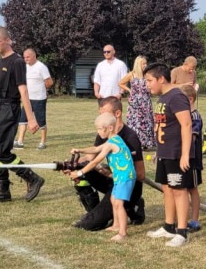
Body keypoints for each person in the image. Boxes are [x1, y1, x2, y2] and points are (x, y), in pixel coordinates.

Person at [0, 26, 44, 203]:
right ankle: (3, 192)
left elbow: (23, 91)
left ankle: (33, 178)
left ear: (7, 40)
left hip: (10, 109)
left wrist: (31, 119)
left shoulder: (17, 62)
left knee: (2, 151)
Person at [68, 96, 147, 231]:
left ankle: (133, 204)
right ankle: (94, 211)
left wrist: (83, 171)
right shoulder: (104, 133)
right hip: (115, 178)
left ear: (117, 114)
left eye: (105, 115)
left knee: (90, 225)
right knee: (83, 166)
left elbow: (140, 174)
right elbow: (92, 155)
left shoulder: (130, 137)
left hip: (127, 182)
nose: (101, 120)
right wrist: (72, 164)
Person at [144, 63, 195, 247]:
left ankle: (182, 232)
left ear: (161, 79)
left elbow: (187, 125)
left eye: (150, 81)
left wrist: (184, 154)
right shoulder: (163, 97)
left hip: (175, 153)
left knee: (178, 191)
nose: (148, 85)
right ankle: (169, 226)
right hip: (164, 153)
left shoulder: (176, 97)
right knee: (166, 189)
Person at [70, 113, 135, 242]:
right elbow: (95, 149)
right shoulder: (111, 141)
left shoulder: (112, 143)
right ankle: (116, 225)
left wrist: (79, 173)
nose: (98, 132)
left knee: (118, 203)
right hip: (119, 176)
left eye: (100, 129)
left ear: (110, 128)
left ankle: (123, 232)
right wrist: (80, 150)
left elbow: (95, 161)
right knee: (113, 199)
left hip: (125, 177)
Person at [14, 48, 52, 150]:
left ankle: (42, 142)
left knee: (40, 120)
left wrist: (43, 90)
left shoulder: (41, 67)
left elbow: (49, 82)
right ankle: (20, 141)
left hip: (39, 98)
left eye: (28, 57)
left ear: (34, 56)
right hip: (27, 99)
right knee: (22, 120)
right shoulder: (24, 67)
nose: (25, 59)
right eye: (24, 57)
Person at [179, 84, 204, 233]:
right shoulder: (184, 116)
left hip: (192, 159)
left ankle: (194, 220)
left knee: (192, 189)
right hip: (184, 157)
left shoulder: (194, 116)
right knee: (184, 188)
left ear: (189, 99)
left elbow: (191, 138)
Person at [118, 56, 157, 149]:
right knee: (135, 122)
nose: (145, 65)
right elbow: (120, 83)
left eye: (145, 63)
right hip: (134, 101)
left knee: (147, 121)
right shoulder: (132, 74)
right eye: (143, 63)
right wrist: (129, 90)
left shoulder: (147, 75)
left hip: (145, 101)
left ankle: (146, 143)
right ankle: (135, 142)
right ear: (138, 65)